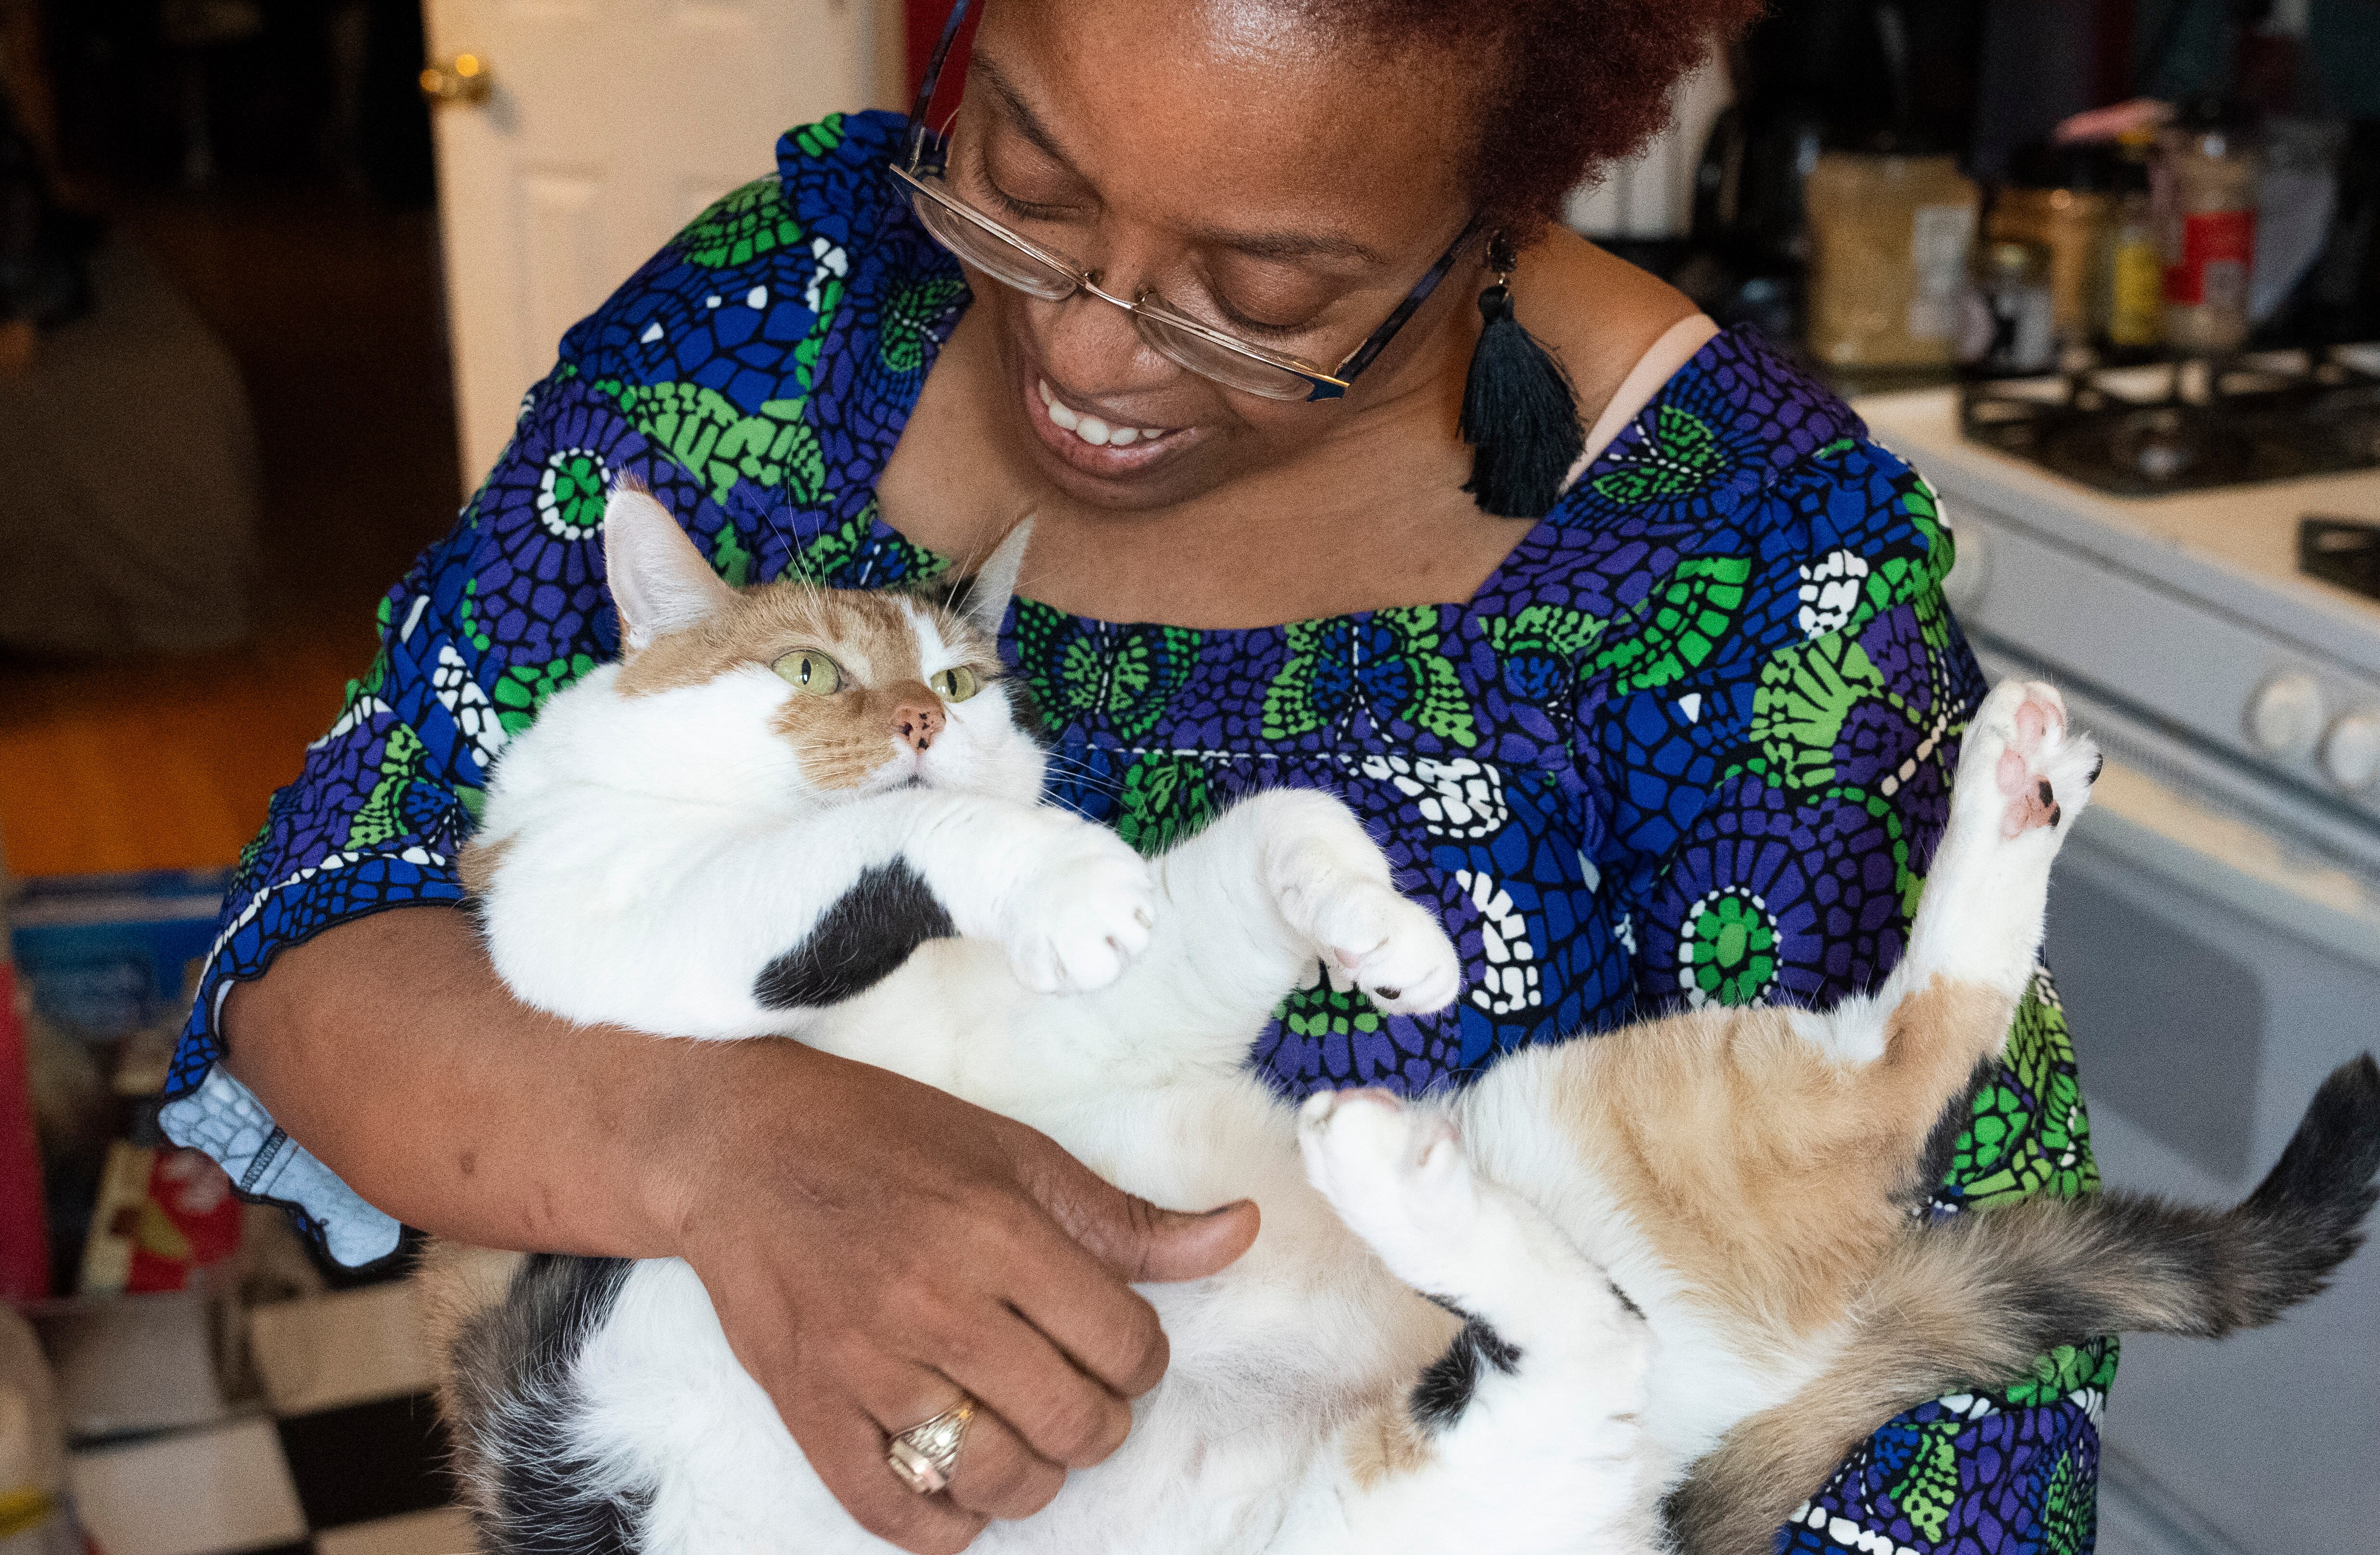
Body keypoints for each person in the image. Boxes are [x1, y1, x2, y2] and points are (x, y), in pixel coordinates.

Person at [159, 0, 2113, 1550]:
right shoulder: (779, 317)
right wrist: (717, 1146)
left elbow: (1953, 1425)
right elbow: (319, 931)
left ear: (1494, 197)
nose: (1086, 344)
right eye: (1022, 170)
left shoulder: (1753, 567)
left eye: (1262, 294)